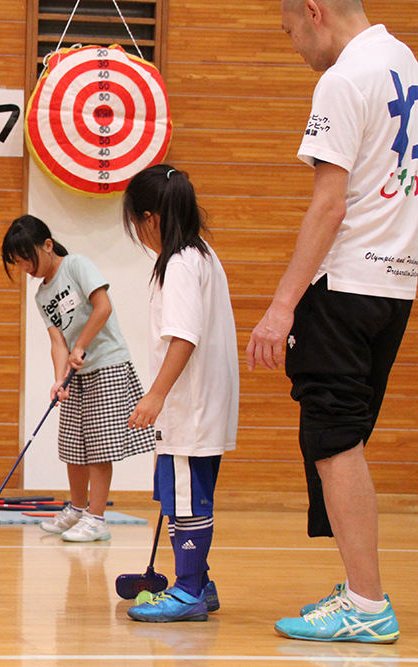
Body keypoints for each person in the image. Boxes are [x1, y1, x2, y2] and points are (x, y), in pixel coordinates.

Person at [247, 0, 416, 644]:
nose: (296, 46)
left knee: (335, 438)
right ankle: (359, 590)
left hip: (344, 286)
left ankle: (367, 604)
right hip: (395, 285)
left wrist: (282, 304)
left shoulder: (344, 77)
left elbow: (329, 203)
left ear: (313, 11)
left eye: (291, 31)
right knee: (343, 436)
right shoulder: (405, 60)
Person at [121, 164, 239, 623]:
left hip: (189, 407)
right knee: (183, 497)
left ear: (151, 218)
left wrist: (154, 396)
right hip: (196, 405)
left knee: (186, 501)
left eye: (136, 223)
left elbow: (184, 336)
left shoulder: (181, 264)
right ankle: (200, 581)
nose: (138, 232)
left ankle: (188, 590)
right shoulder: (201, 254)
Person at [2, 215, 155, 542]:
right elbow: (58, 342)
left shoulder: (76, 265)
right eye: (18, 264)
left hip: (108, 365)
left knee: (99, 447)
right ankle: (77, 509)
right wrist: (60, 380)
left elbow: (103, 307)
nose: (26, 268)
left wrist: (81, 345)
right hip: (76, 372)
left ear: (46, 245)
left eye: (27, 258)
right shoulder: (41, 296)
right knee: (74, 445)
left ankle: (97, 519)